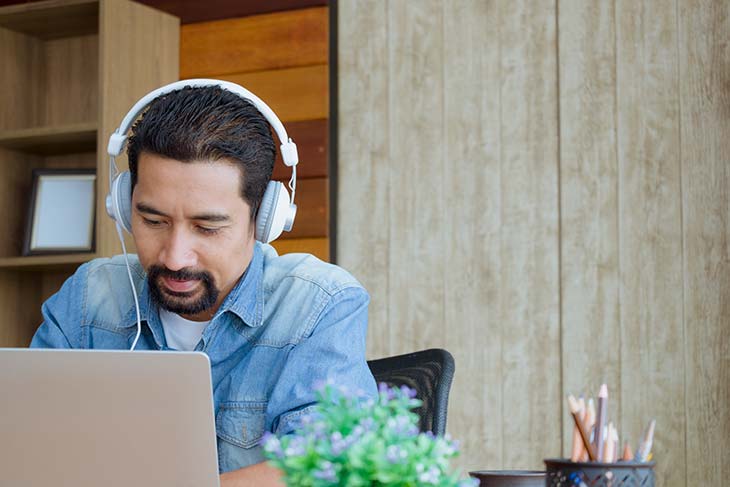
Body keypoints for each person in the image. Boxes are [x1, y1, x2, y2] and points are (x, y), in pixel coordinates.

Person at [30, 82, 378, 486]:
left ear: (264, 219)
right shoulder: (89, 297)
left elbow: (327, 469)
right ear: (124, 208)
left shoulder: (319, 305)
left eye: (207, 227)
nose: (175, 257)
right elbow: (28, 443)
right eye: (154, 221)